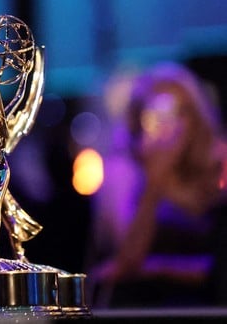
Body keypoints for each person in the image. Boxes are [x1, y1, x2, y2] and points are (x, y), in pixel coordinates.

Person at [87, 62, 227, 307]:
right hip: (140, 308)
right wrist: (155, 181)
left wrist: (157, 268)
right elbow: (127, 260)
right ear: (138, 118)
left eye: (180, 112)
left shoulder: (216, 169)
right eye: (157, 113)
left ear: (196, 117)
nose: (169, 125)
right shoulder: (124, 173)